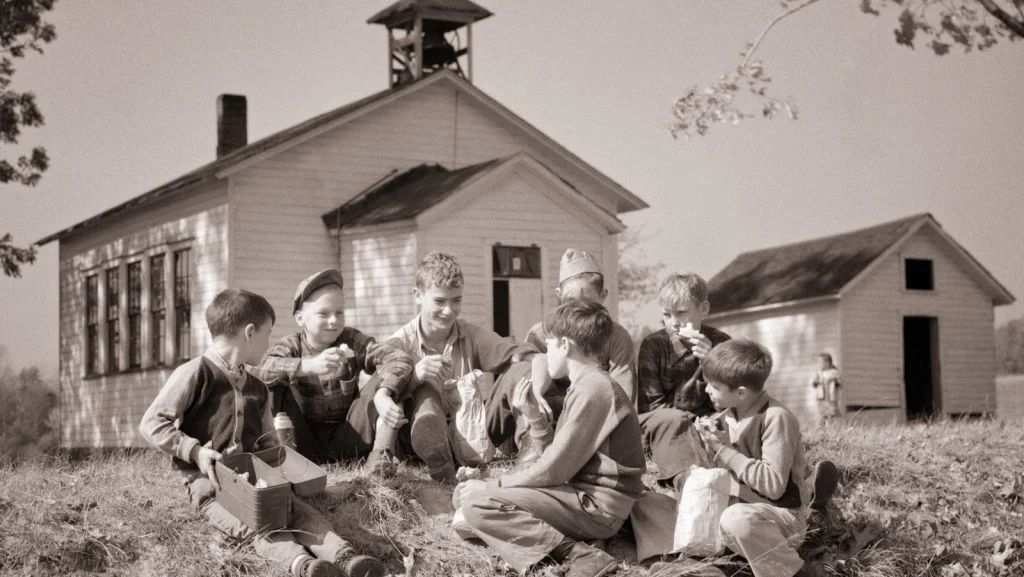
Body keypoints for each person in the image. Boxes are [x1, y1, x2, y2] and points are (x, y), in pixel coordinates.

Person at [139, 289, 384, 577]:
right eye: (267, 334)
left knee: (298, 512)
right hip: (211, 484)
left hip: (257, 480)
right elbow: (152, 423)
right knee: (255, 525)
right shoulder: (195, 373)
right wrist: (195, 451)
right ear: (250, 333)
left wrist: (284, 464)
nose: (268, 344)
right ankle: (304, 566)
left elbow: (267, 439)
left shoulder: (257, 387)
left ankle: (346, 558)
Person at [455, 300, 645, 577]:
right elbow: (557, 458)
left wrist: (490, 485)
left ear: (565, 345)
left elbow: (554, 470)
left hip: (599, 506)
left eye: (548, 345)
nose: (546, 354)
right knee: (475, 499)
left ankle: (579, 555)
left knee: (478, 504)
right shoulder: (586, 384)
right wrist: (534, 417)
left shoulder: (594, 389)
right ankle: (573, 548)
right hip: (582, 496)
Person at [649, 340, 818, 577]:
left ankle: (793, 571)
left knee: (735, 519)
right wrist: (708, 448)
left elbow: (774, 486)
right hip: (738, 514)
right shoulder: (725, 419)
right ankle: (704, 564)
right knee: (669, 498)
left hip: (779, 518)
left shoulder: (775, 418)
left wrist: (724, 449)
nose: (707, 390)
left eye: (714, 386)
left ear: (740, 393)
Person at [386, 252, 538, 483]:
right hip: (417, 441)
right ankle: (439, 463)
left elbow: (512, 352)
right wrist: (414, 378)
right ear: (418, 296)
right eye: (439, 301)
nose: (449, 310)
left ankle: (531, 456)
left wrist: (538, 362)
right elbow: (380, 395)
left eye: (456, 300)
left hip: (472, 431)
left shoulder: (472, 335)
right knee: (424, 391)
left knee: (521, 370)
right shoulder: (399, 343)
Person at [253, 269, 415, 474]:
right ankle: (279, 460)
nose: (333, 321)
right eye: (323, 313)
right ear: (301, 319)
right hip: (301, 440)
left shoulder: (350, 340)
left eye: (339, 312)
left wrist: (383, 393)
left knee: (390, 379)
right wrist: (307, 366)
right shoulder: (291, 345)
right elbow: (261, 369)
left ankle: (380, 455)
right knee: (274, 385)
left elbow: (398, 358)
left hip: (348, 436)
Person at [485, 248, 636, 464]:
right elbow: (528, 380)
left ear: (603, 296)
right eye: (570, 300)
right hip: (538, 418)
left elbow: (622, 398)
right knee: (521, 369)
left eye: (588, 300)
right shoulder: (541, 333)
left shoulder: (616, 337)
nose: (579, 308)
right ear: (558, 296)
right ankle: (529, 445)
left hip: (586, 423)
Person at [636, 272, 731, 492]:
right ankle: (692, 484)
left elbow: (731, 403)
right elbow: (652, 408)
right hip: (668, 429)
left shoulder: (722, 344)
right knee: (675, 422)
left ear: (703, 309)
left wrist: (712, 365)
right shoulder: (654, 346)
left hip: (710, 424)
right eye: (666, 315)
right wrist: (693, 423)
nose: (674, 322)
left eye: (681, 313)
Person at [812, 353, 842, 421]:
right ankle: (822, 425)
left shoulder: (834, 372)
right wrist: (817, 382)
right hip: (821, 397)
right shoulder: (819, 373)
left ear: (827, 362)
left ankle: (831, 424)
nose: (819, 364)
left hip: (831, 397)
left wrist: (834, 382)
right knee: (822, 413)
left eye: (820, 362)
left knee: (831, 412)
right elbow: (814, 383)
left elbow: (839, 382)